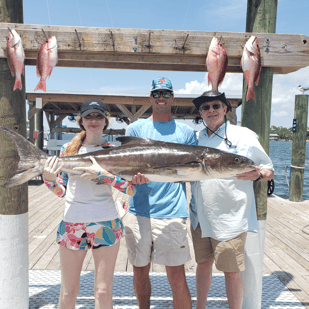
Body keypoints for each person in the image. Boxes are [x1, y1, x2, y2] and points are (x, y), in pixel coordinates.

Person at [43, 99, 136, 309]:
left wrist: (104, 175)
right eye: (89, 116)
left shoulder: (113, 150)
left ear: (106, 121)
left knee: (103, 292)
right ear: (81, 121)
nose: (94, 120)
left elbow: (130, 188)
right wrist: (49, 179)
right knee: (68, 292)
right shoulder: (69, 149)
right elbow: (61, 190)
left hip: (106, 225)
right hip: (72, 225)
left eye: (98, 116)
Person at [190, 90, 274, 309]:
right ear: (200, 112)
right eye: (205, 108)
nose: (211, 111)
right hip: (199, 217)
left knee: (231, 272)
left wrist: (257, 175)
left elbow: (269, 170)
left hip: (230, 219)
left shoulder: (244, 135)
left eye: (216, 106)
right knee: (202, 265)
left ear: (225, 109)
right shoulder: (195, 139)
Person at [123, 77, 196, 309]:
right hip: (139, 210)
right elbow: (123, 168)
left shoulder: (186, 132)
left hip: (172, 212)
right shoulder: (135, 129)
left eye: (165, 93)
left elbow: (193, 173)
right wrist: (130, 179)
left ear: (173, 97)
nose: (161, 98)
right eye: (156, 94)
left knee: (177, 276)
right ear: (150, 98)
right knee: (140, 271)